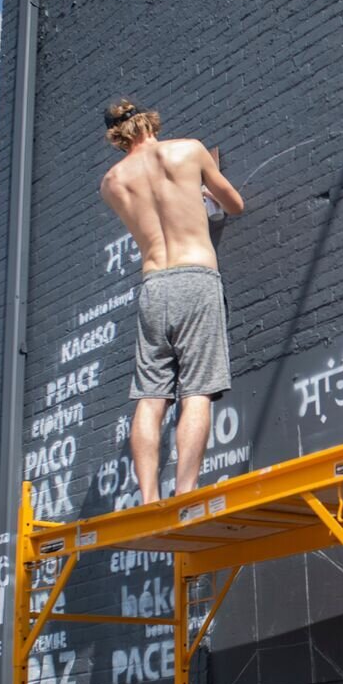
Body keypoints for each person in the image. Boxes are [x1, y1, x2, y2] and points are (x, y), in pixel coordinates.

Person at [100, 98, 244, 505]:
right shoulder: (188, 150)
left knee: (150, 396)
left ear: (115, 137)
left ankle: (148, 499)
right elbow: (235, 205)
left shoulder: (111, 182)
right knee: (196, 390)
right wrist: (201, 192)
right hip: (195, 276)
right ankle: (184, 493)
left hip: (152, 286)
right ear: (150, 122)